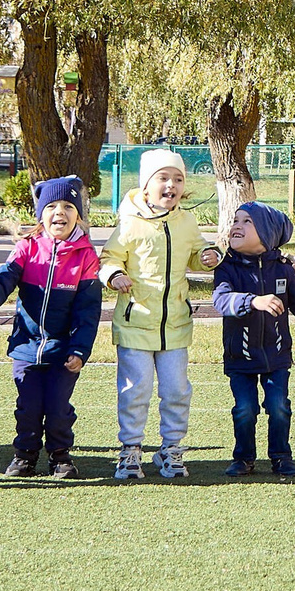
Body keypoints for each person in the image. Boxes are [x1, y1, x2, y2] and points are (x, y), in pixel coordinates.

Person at [99, 148, 220, 482]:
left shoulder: (186, 220)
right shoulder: (130, 222)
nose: (172, 185)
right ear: (146, 186)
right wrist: (113, 275)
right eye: (163, 178)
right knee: (134, 389)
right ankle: (130, 451)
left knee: (177, 390)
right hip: (136, 322)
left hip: (175, 325)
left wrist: (209, 255)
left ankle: (171, 450)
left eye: (178, 179)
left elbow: (196, 252)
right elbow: (109, 257)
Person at [0, 177, 104, 478]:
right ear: (41, 214)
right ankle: (25, 455)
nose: (60, 212)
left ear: (79, 216)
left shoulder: (86, 256)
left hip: (64, 350)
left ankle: (60, 457)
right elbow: (5, 277)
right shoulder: (26, 248)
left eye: (69, 206)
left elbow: (88, 310)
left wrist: (80, 349)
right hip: (26, 347)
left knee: (58, 409)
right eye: (52, 206)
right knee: (28, 407)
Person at [210, 201, 295, 477]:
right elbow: (221, 300)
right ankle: (243, 457)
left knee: (279, 406)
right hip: (240, 357)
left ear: (267, 235)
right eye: (236, 220)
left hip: (277, 356)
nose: (237, 225)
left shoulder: (282, 269)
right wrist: (253, 301)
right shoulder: (227, 268)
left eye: (247, 222)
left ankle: (281, 456)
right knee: (245, 409)